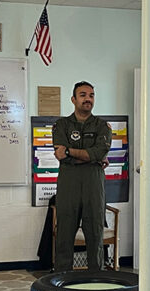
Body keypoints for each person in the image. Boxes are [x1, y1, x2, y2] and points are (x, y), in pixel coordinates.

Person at [52, 81, 112, 272]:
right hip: (68, 184)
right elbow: (60, 154)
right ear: (73, 99)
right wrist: (91, 156)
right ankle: (62, 283)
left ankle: (96, 282)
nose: (88, 99)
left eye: (91, 95)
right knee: (64, 236)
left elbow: (97, 153)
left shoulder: (103, 126)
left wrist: (71, 152)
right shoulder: (61, 125)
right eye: (83, 95)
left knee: (95, 236)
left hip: (93, 185)